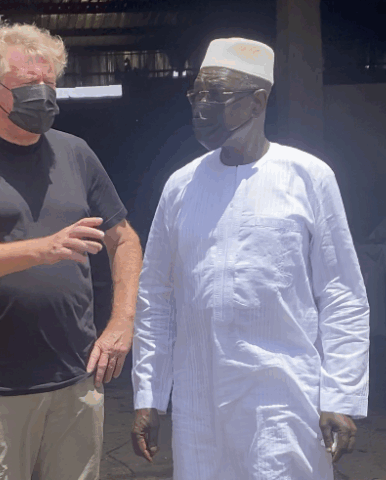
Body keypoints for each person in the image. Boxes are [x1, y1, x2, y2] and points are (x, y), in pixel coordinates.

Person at [131, 38, 370, 480]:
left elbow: (342, 295)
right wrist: (149, 395)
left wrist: (341, 396)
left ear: (258, 101)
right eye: (197, 95)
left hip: (282, 400)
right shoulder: (181, 186)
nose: (201, 106)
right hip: (199, 401)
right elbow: (155, 299)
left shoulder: (308, 177)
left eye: (216, 95)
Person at [0, 19, 142, 480]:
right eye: (29, 84)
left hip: (77, 381)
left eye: (50, 83)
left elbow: (124, 239)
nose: (43, 94)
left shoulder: (75, 153)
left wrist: (122, 323)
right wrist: (45, 248)